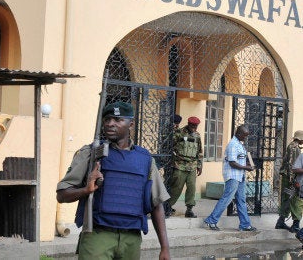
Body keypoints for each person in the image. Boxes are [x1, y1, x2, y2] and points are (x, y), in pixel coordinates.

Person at [56, 102, 171, 260]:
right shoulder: (91, 153)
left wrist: (164, 247)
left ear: (131, 124)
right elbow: (62, 195)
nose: (110, 124)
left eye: (117, 120)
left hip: (131, 239)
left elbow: (156, 204)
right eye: (107, 119)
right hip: (97, 236)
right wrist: (85, 190)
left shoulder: (145, 159)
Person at [203, 125, 257, 231]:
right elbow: (232, 163)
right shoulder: (233, 144)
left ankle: (245, 224)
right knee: (227, 198)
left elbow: (239, 160)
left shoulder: (239, 144)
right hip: (233, 176)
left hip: (240, 176)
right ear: (239, 134)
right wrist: (246, 167)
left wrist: (248, 164)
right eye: (245, 136)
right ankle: (211, 220)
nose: (245, 138)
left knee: (241, 200)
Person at [165, 116, 203, 218]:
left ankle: (189, 209)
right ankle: (167, 207)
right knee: (176, 187)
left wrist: (199, 165)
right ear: (188, 124)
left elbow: (199, 151)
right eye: (193, 125)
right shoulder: (179, 133)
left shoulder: (197, 136)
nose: (194, 127)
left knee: (191, 188)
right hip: (179, 165)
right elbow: (169, 146)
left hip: (192, 166)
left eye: (196, 126)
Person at [275, 130, 303, 232]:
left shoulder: (292, 146)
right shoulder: (295, 148)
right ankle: (296, 225)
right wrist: (293, 181)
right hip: (291, 178)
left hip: (287, 177)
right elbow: (292, 165)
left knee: (287, 199)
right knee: (296, 200)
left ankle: (281, 221)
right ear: (300, 139)